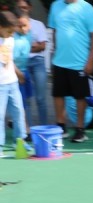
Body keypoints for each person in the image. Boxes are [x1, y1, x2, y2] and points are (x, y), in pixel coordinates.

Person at [48, 0, 93, 143]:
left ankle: (80, 129)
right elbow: (55, 31)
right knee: (58, 94)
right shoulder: (55, 5)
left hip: (80, 62)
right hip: (59, 60)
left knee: (80, 96)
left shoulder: (86, 7)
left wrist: (91, 60)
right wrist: (55, 53)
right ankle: (61, 127)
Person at [15, 0, 48, 129]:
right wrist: (33, 46)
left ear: (30, 7)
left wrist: (30, 48)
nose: (22, 9)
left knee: (41, 98)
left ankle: (44, 128)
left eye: (24, 7)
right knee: (25, 99)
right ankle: (28, 130)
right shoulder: (14, 25)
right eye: (19, 7)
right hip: (21, 66)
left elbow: (42, 46)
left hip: (37, 62)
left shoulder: (38, 24)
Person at [0, 11, 28, 157]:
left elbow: (9, 60)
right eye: (9, 31)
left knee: (18, 111)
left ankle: (20, 141)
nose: (12, 34)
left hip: (12, 83)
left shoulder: (10, 39)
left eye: (13, 31)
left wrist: (18, 73)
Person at [12, 13, 31, 140]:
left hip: (25, 71)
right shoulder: (13, 39)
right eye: (19, 26)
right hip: (15, 73)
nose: (23, 28)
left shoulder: (28, 36)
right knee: (21, 103)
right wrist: (19, 74)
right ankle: (25, 130)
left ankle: (17, 123)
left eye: (25, 25)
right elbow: (9, 60)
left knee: (25, 101)